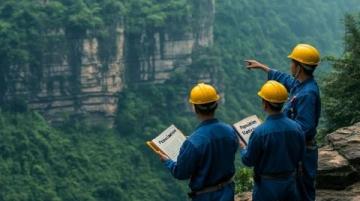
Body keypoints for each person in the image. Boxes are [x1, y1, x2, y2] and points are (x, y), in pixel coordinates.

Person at [245, 43, 321, 201]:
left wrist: (276, 127)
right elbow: (285, 79)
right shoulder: (301, 85)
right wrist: (263, 67)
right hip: (294, 148)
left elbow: (304, 128)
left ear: (299, 67)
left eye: (293, 62)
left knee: (303, 192)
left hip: (302, 152)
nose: (290, 65)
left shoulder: (308, 94)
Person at [157, 83, 238, 201]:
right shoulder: (229, 131)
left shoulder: (193, 142)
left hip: (206, 197)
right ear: (216, 104)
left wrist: (167, 161)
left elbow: (181, 173)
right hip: (227, 192)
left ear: (194, 107)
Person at [239, 80, 305, 201]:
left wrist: (243, 148)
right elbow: (301, 155)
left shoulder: (259, 133)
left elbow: (248, 160)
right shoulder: (297, 127)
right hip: (290, 184)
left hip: (266, 188)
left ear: (265, 104)